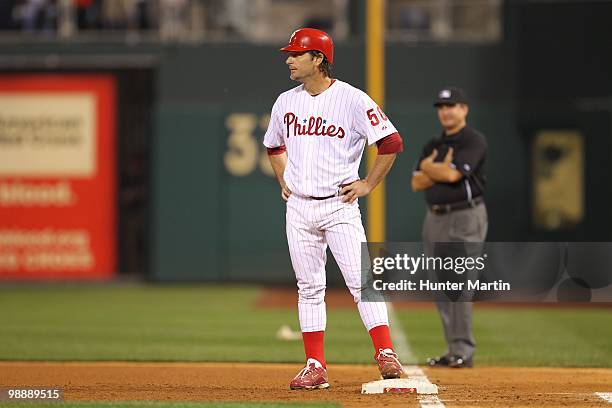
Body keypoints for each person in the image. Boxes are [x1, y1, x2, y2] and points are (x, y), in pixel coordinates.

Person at [263, 28, 405, 390]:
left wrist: (368, 183)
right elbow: (274, 146)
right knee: (309, 287)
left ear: (318, 59)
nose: (289, 59)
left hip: (339, 205)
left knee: (363, 283)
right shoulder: (285, 101)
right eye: (290, 53)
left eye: (296, 53)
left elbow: (391, 142)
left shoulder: (352, 99)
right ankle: (315, 365)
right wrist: (284, 180)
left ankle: (386, 353)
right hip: (299, 208)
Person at [411, 87, 488, 368]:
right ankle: (453, 349)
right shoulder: (433, 143)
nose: (445, 111)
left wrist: (430, 169)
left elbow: (454, 173)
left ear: (464, 109)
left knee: (460, 284)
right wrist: (436, 169)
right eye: (441, 106)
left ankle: (463, 350)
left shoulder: (473, 140)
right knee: (442, 286)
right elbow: (416, 183)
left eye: (451, 105)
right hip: (434, 217)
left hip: (466, 217)